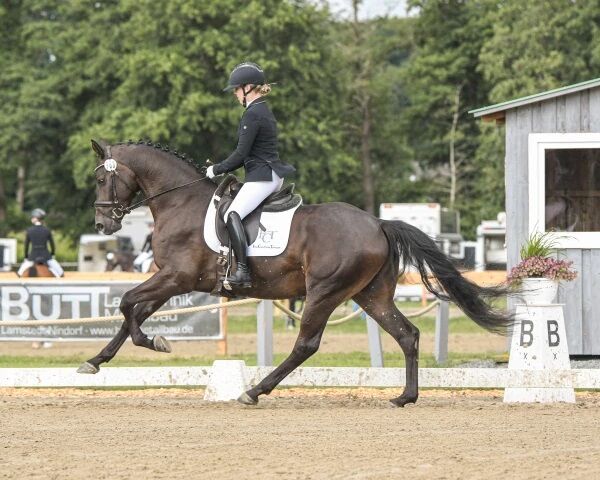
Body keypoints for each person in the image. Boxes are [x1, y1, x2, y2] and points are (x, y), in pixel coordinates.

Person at [205, 62, 295, 288]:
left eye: (236, 89)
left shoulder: (253, 113)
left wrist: (216, 169)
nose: (235, 94)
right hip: (269, 174)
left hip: (263, 176)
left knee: (232, 213)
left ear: (247, 88)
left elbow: (240, 154)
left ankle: (243, 271)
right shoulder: (261, 109)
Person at [17, 208, 64, 278]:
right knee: (60, 273)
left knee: (19, 273)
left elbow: (26, 246)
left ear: (36, 218)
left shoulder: (29, 231)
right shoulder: (47, 230)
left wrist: (26, 257)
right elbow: (52, 245)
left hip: (32, 256)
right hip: (46, 256)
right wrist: (52, 254)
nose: (31, 219)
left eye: (32, 217)